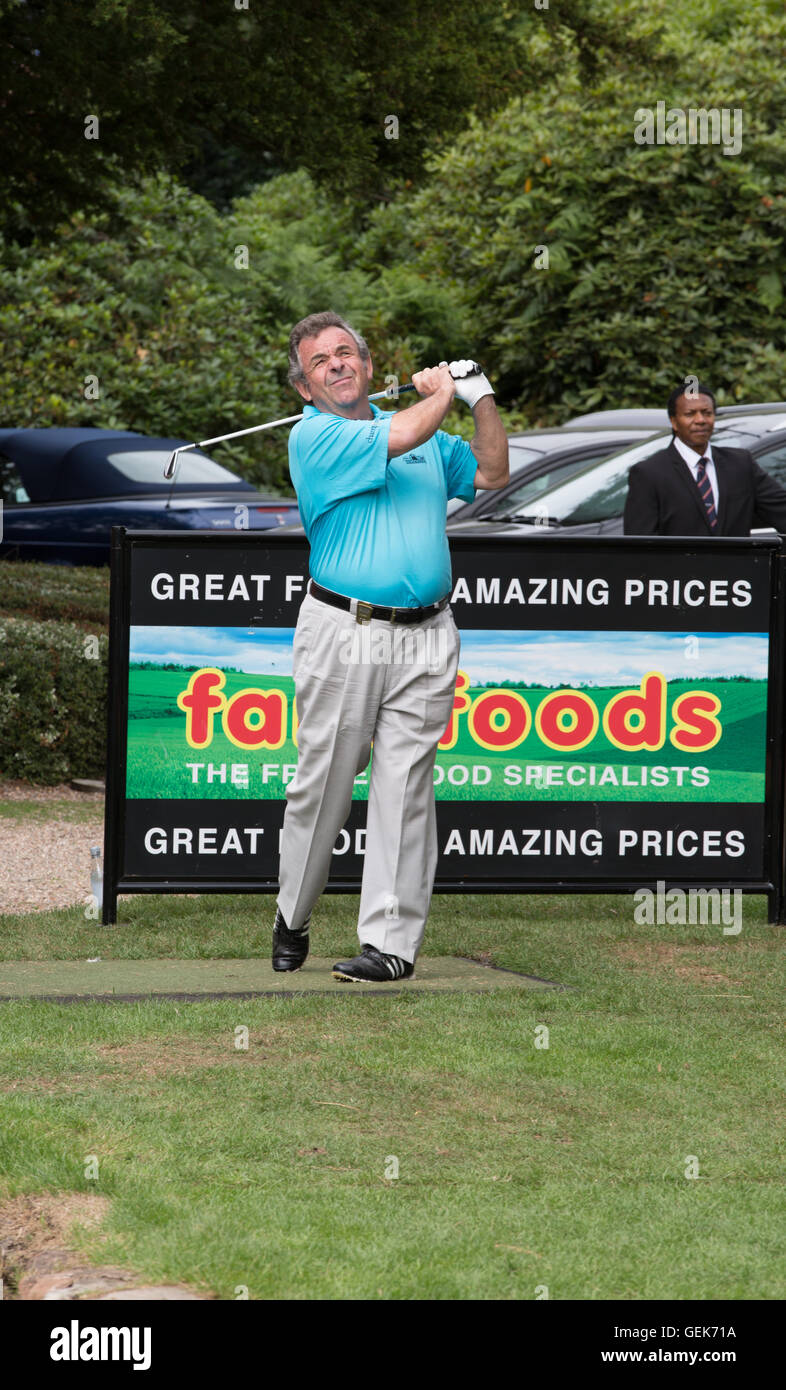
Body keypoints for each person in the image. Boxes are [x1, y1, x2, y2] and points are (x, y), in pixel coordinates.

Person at [272, 310, 509, 982]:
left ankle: (390, 946)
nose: (338, 365)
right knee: (322, 786)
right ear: (304, 387)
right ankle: (293, 913)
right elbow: (402, 431)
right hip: (345, 631)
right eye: (321, 361)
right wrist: (444, 392)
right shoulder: (314, 436)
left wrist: (480, 393)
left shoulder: (428, 437)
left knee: (407, 788)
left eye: (348, 353)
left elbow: (492, 470)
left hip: (429, 633)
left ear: (370, 367)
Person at [623, 383, 786, 535]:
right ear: (674, 421)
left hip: (736, 565)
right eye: (690, 414)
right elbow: (639, 546)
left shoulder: (740, 464)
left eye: (707, 413)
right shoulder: (649, 473)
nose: (700, 420)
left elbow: (780, 510)